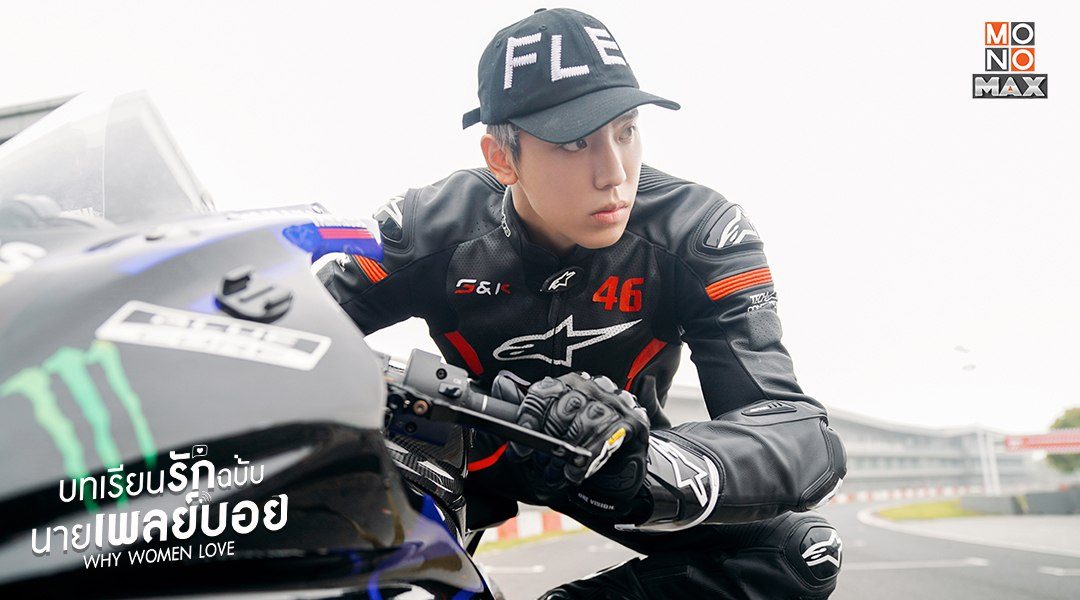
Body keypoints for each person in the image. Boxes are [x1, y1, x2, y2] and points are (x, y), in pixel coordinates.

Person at [319, 8, 846, 599]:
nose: (614, 173)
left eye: (626, 131)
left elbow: (801, 435)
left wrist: (644, 466)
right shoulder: (429, 223)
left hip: (612, 465)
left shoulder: (698, 230)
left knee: (805, 553)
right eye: (575, 142)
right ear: (502, 157)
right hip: (466, 448)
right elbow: (291, 332)